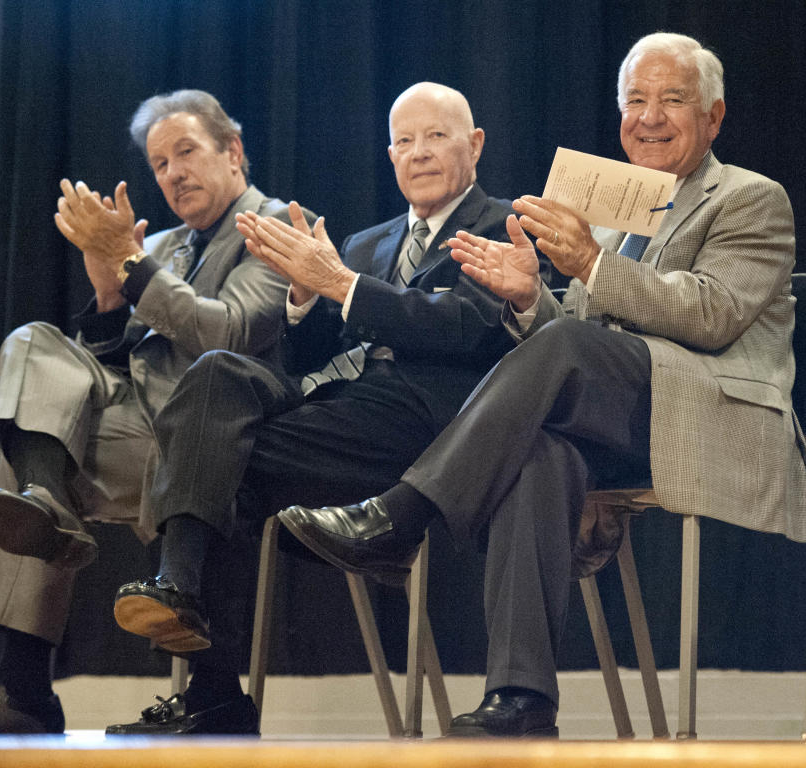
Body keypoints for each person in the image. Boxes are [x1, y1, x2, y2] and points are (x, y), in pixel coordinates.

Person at [279, 33, 806, 738]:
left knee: (563, 351)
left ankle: (401, 517)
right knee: (538, 452)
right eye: (635, 101)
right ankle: (522, 698)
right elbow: (579, 334)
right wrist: (530, 297)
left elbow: (710, 314)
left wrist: (590, 263)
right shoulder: (616, 203)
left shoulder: (751, 198)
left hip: (702, 409)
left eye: (672, 101)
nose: (649, 117)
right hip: (617, 412)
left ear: (713, 117)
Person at [105, 81, 552, 735]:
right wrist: (301, 299)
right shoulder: (370, 242)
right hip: (344, 405)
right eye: (403, 141)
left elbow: (470, 326)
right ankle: (186, 609)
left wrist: (340, 284)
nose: (418, 152)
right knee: (216, 375)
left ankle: (208, 682)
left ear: (475, 144)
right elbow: (319, 349)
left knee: (217, 457)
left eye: (435, 136)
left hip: (432, 427)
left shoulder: (508, 224)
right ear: (390, 155)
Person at [0, 89, 311, 735]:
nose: (172, 173)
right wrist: (108, 293)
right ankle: (45, 503)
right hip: (140, 423)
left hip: (220, 442)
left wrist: (133, 267)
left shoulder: (278, 225)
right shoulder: (166, 244)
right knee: (32, 348)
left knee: (36, 444)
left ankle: (25, 683)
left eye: (186, 152)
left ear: (233, 153)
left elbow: (227, 333)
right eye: (159, 164)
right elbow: (109, 363)